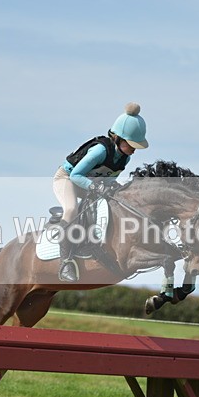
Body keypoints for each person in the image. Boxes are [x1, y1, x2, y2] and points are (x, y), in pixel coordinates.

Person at [52, 102, 149, 282]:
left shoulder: (124, 159)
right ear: (118, 139)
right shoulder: (100, 150)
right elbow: (75, 175)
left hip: (88, 183)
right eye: (132, 144)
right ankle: (65, 262)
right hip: (67, 179)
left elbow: (109, 180)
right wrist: (96, 187)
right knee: (72, 209)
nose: (134, 149)